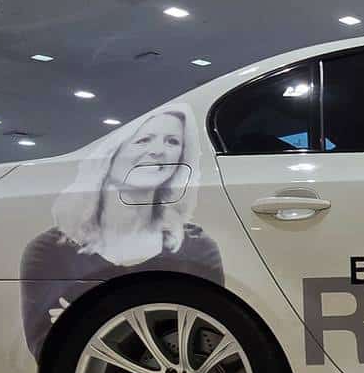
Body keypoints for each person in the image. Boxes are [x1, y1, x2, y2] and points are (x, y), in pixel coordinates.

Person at [19, 105, 222, 354]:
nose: (158, 151)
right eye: (143, 140)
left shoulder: (198, 247)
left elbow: (210, 336)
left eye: (172, 141)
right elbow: (47, 347)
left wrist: (88, 321)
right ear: (110, 153)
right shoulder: (50, 251)